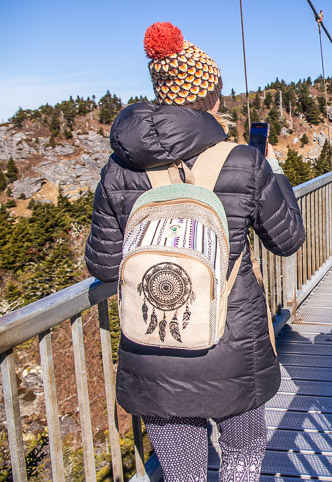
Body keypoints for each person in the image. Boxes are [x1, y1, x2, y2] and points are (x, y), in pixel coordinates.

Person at [84, 22, 306, 481]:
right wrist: (273, 171)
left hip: (153, 343)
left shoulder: (117, 169)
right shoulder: (244, 160)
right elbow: (287, 240)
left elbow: (104, 265)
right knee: (243, 456)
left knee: (182, 473)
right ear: (212, 98)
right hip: (232, 345)